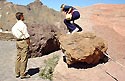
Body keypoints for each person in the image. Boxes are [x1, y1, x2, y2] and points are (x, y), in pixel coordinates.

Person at [11, 12, 30, 79]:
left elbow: (13, 32)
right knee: (24, 58)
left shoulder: (14, 26)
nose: (24, 17)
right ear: (21, 17)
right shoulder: (22, 25)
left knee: (18, 57)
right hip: (23, 41)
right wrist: (28, 43)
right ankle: (22, 74)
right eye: (23, 16)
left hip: (17, 42)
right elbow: (26, 35)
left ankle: (17, 73)